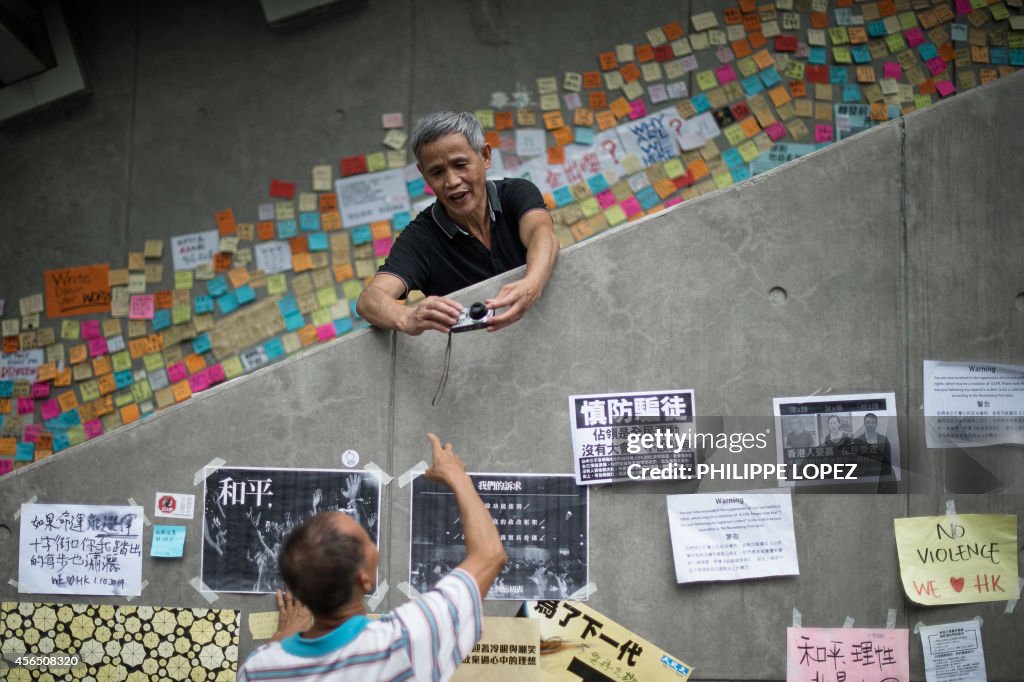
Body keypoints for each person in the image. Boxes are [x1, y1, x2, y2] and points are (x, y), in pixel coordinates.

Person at [238, 434, 507, 681]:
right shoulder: (403, 643)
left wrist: (282, 637)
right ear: (364, 579)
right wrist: (457, 476)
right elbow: (489, 555)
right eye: (368, 542)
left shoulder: (257, 669)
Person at [356, 111, 559, 335]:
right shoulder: (420, 239)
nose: (451, 181)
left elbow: (542, 233)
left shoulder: (516, 193)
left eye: (460, 165)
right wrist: (407, 317)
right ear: (423, 174)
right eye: (437, 172)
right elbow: (369, 300)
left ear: (485, 156)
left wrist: (533, 283)